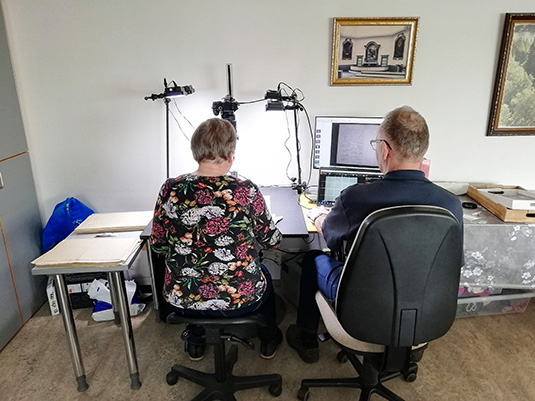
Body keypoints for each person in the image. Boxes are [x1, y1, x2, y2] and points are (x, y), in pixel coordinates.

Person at [286, 106, 464, 363]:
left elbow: (332, 239)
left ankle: (307, 339)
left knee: (313, 259)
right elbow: (452, 265)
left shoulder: (356, 198)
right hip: (425, 307)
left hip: (364, 306)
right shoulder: (450, 204)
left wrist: (319, 217)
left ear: (385, 150)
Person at [150, 117, 283, 360]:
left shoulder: (170, 188)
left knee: (193, 278)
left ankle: (195, 341)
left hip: (183, 298)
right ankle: (268, 339)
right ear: (231, 155)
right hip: (240, 297)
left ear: (195, 153)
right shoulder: (246, 190)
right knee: (263, 275)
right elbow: (271, 241)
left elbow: (157, 245)